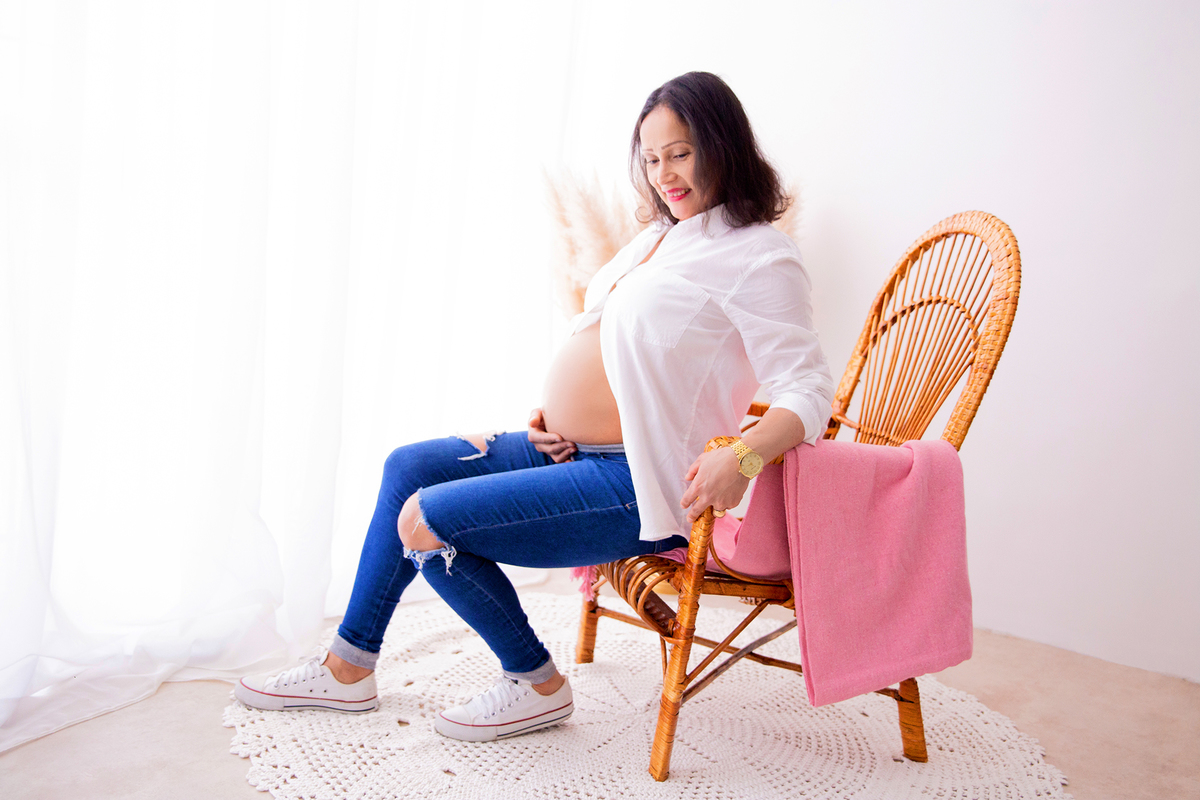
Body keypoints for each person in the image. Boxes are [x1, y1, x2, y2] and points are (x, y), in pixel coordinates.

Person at [235, 71, 835, 742]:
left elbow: (808, 391)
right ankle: (348, 669)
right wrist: (557, 409)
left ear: (722, 144)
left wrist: (744, 458)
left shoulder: (760, 255)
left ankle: (534, 682)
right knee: (408, 467)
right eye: (650, 158)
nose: (663, 174)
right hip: (572, 449)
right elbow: (623, 349)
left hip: (636, 480)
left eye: (680, 153)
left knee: (425, 519)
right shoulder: (663, 237)